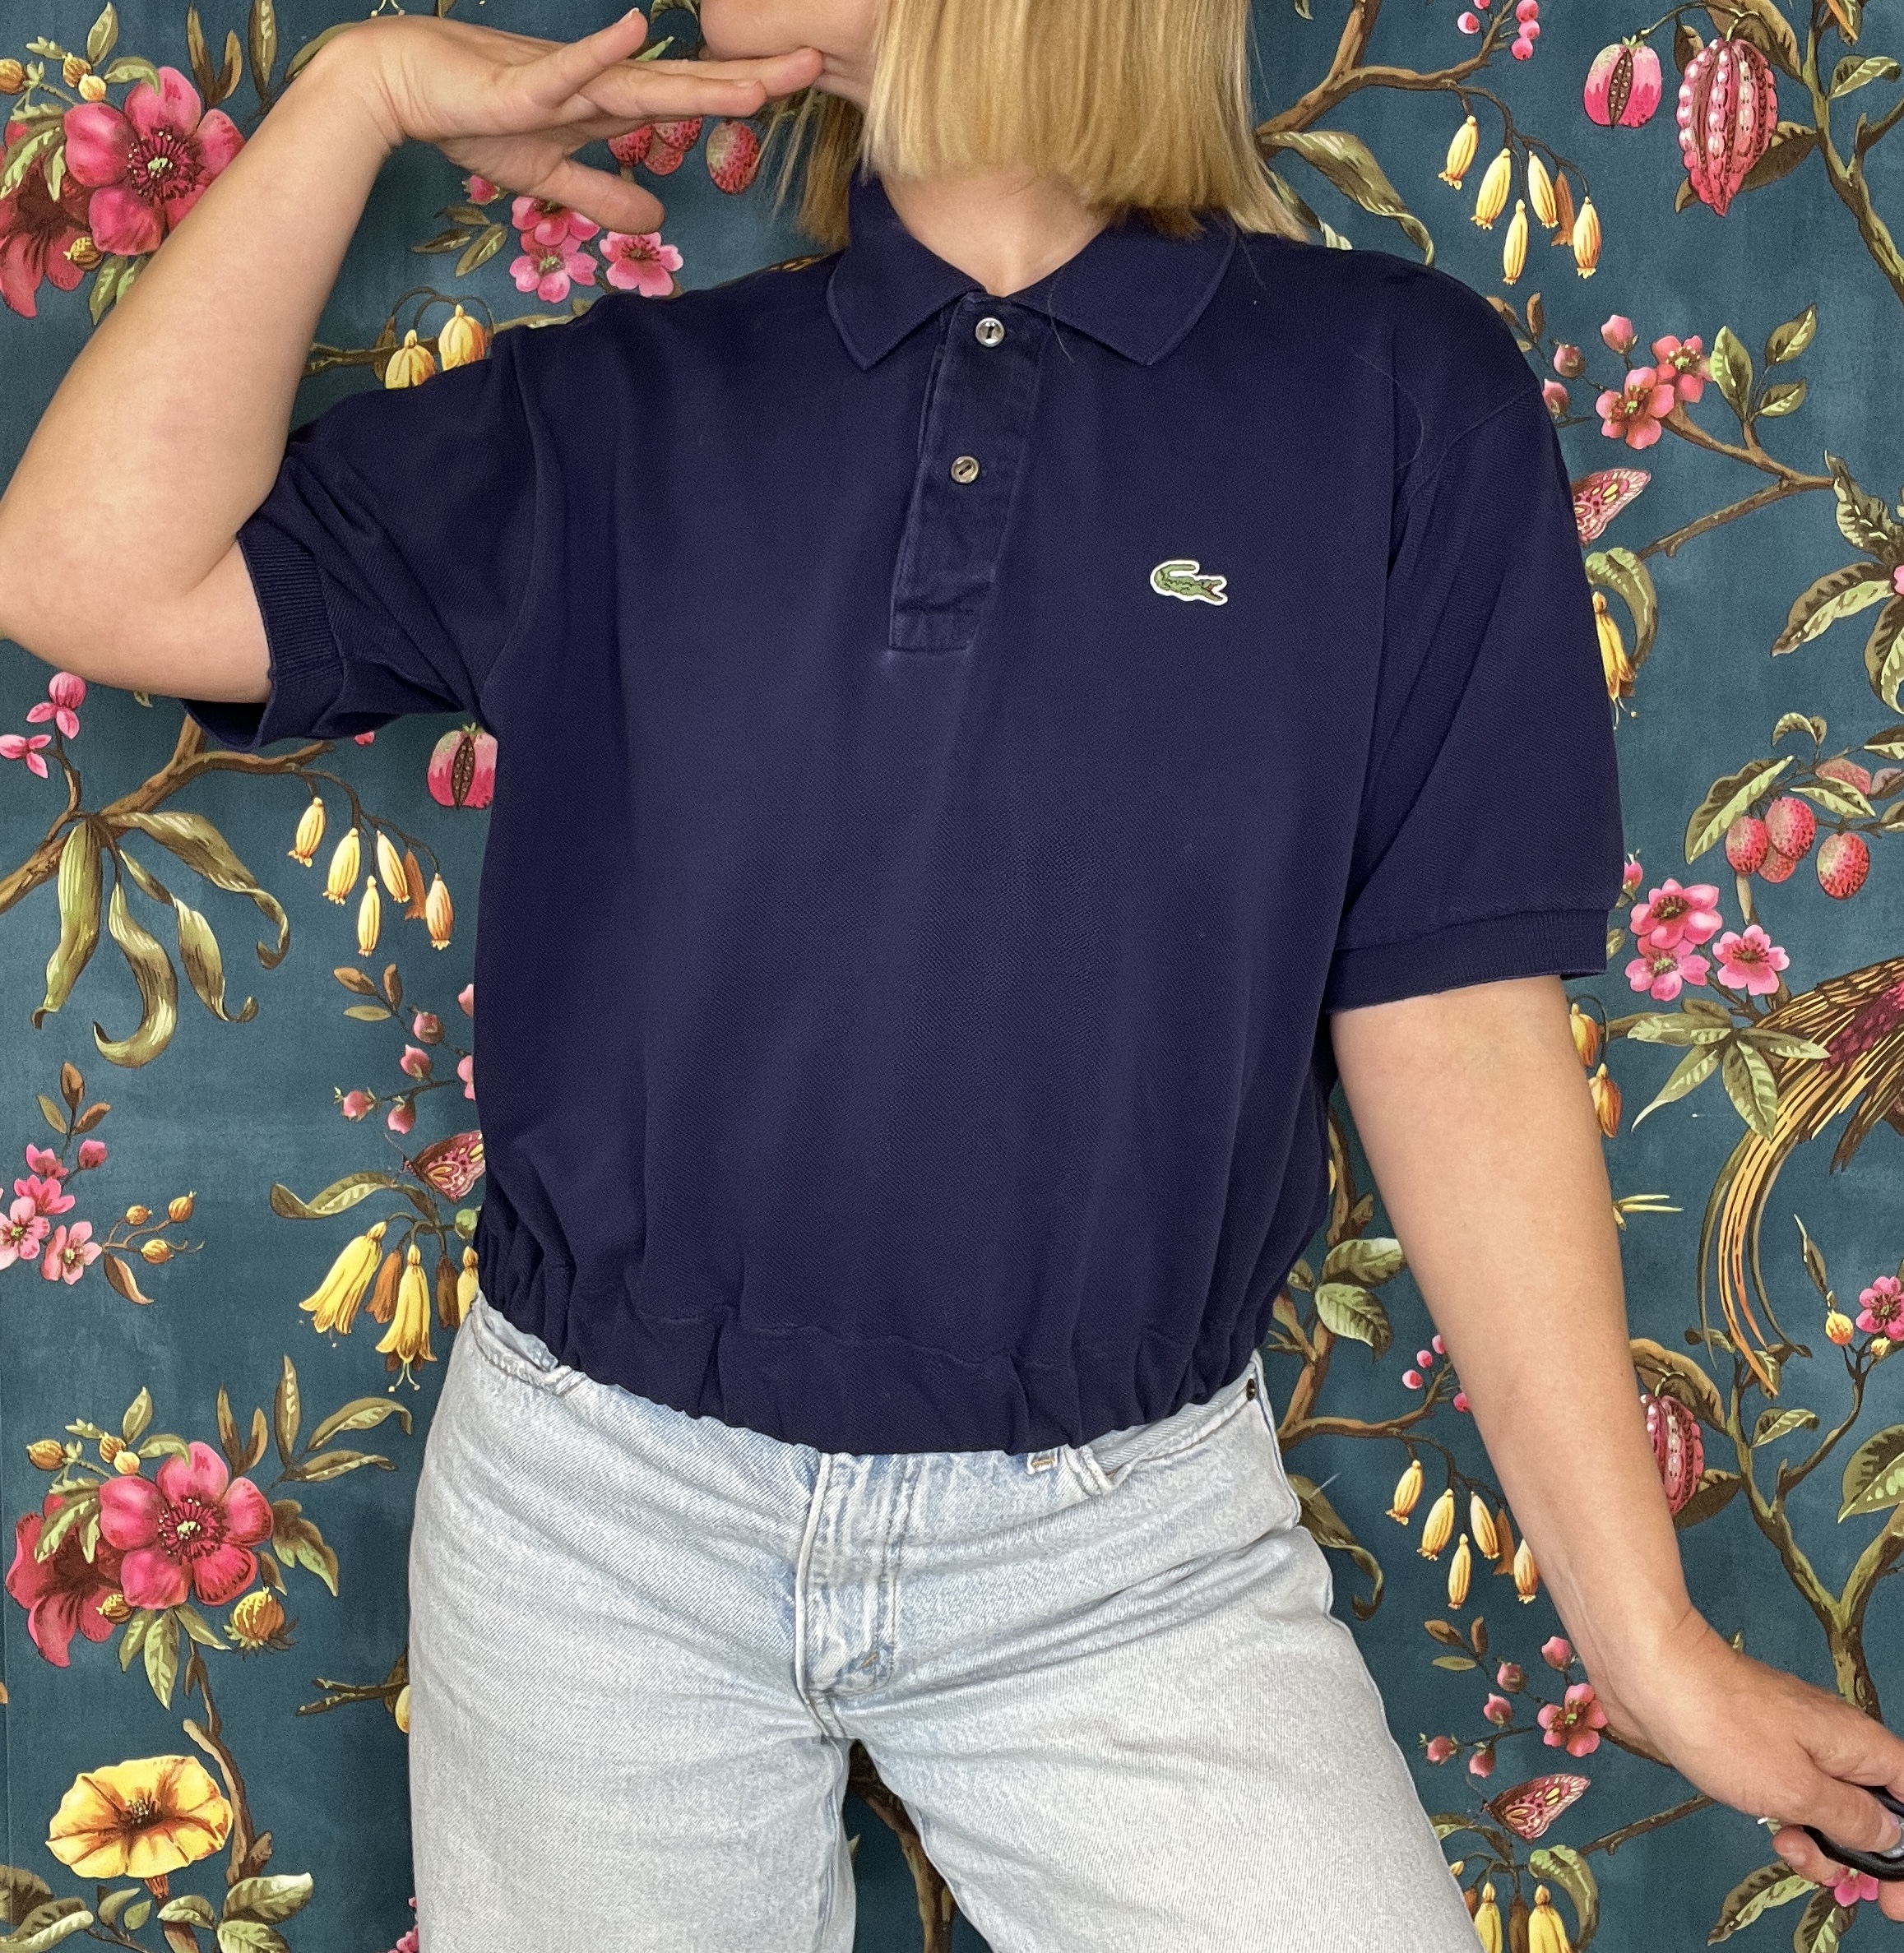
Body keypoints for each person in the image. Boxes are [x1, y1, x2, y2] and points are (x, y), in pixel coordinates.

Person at [3, 0, 1902, 1945]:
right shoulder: (626, 414)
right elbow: (88, 574)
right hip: (599, 1522)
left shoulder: (1393, 399)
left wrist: (1648, 1642)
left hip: (1126, 1551)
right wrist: (355, 97)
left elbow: (1457, 1031)